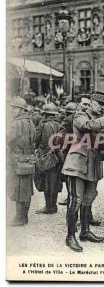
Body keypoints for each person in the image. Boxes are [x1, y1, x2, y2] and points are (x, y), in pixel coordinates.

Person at [62, 91, 104, 252]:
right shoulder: (80, 115)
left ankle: (85, 231)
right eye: (100, 104)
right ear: (92, 102)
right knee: (75, 200)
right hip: (77, 164)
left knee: (88, 198)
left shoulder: (98, 119)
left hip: (92, 165)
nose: (102, 108)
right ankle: (70, 236)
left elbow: (102, 142)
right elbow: (88, 126)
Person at [7, 97, 36, 226]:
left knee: (17, 189)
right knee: (26, 189)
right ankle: (24, 216)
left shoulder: (16, 124)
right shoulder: (30, 122)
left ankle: (20, 218)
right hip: (29, 159)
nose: (12, 110)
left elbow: (7, 139)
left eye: (14, 108)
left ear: (21, 109)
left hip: (17, 160)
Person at [35, 103, 63, 214]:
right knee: (55, 181)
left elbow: (36, 139)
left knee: (45, 181)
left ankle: (48, 206)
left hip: (45, 155)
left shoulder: (42, 125)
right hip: (57, 156)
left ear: (45, 114)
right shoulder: (59, 125)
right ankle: (53, 205)